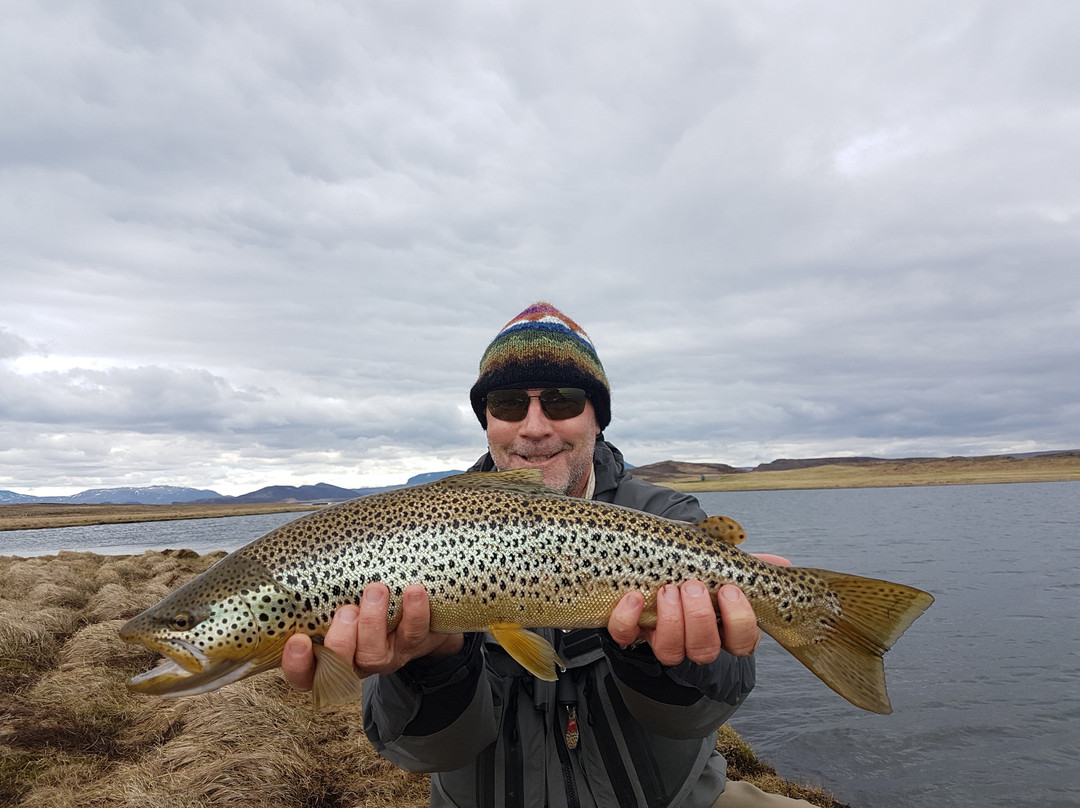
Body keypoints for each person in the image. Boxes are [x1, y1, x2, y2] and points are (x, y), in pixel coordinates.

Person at [283, 302, 813, 807]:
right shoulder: (416, 536)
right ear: (487, 421)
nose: (534, 427)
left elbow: (706, 712)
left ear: (597, 419)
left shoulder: (669, 519)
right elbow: (421, 754)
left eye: (561, 401)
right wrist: (433, 664)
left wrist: (654, 657)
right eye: (509, 404)